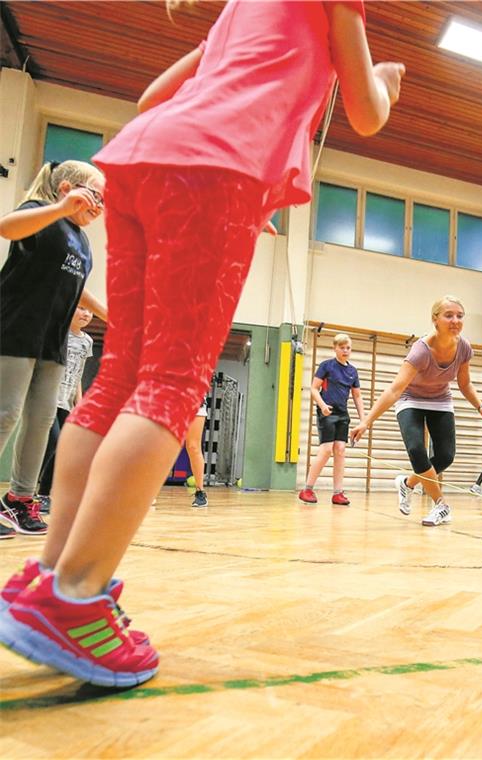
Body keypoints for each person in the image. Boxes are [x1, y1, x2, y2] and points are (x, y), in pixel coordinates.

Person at [0, 0, 404, 687]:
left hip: (141, 159)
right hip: (216, 167)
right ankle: (77, 595)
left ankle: (51, 577)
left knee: (120, 376)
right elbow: (366, 112)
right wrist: (383, 83)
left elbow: (155, 96)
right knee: (170, 383)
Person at [0, 160, 107, 539]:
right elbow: (6, 227)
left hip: (52, 341)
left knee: (42, 422)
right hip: (15, 330)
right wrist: (61, 211)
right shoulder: (40, 213)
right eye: (96, 195)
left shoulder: (82, 240)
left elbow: (76, 287)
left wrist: (110, 314)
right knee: (6, 414)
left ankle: (20, 499)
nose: (99, 206)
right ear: (67, 190)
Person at [350, 296, 482, 526]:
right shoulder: (421, 350)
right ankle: (441, 506)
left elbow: (465, 384)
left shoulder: (463, 347)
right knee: (417, 449)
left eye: (459, 315)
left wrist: (481, 406)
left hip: (440, 401)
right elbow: (396, 389)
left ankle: (407, 484)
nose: (455, 320)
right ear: (435, 320)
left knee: (445, 456)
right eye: (449, 315)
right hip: (411, 400)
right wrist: (366, 421)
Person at [35, 305, 95, 515]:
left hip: (66, 402)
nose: (86, 314)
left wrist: (80, 402)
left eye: (90, 311)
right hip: (48, 398)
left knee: (60, 447)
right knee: (54, 443)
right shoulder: (58, 333)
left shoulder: (87, 341)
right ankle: (37, 492)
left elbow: (79, 374)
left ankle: (42, 495)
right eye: (81, 308)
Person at [299, 333, 364, 506]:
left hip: (343, 414)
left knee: (340, 450)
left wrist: (363, 420)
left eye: (348, 348)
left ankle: (337, 493)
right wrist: (322, 406)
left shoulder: (352, 371)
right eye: (342, 347)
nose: (345, 351)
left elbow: (357, 396)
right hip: (326, 412)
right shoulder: (326, 366)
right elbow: (313, 388)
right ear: (334, 348)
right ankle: (307, 489)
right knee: (326, 449)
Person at [184, 395, 209, 508]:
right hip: (169, 398)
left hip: (194, 399)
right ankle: (149, 493)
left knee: (193, 446)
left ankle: (200, 492)